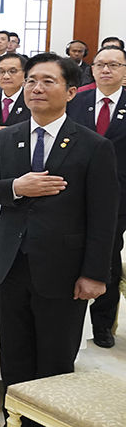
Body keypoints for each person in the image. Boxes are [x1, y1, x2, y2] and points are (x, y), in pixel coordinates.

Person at [0, 53, 118, 427]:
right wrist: (17, 186)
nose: (36, 88)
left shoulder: (93, 145)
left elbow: (104, 217)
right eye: (32, 80)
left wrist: (95, 274)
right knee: (15, 354)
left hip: (63, 268)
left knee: (54, 355)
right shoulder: (6, 137)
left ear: (71, 91)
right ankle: (12, 426)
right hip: (12, 263)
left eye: (48, 81)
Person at [67, 44, 126, 348]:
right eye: (101, 64)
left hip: (118, 196)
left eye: (114, 65)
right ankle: (69, 318)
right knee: (69, 251)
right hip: (75, 191)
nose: (106, 70)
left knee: (107, 259)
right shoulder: (78, 101)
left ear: (124, 72)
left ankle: (103, 324)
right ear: (91, 69)